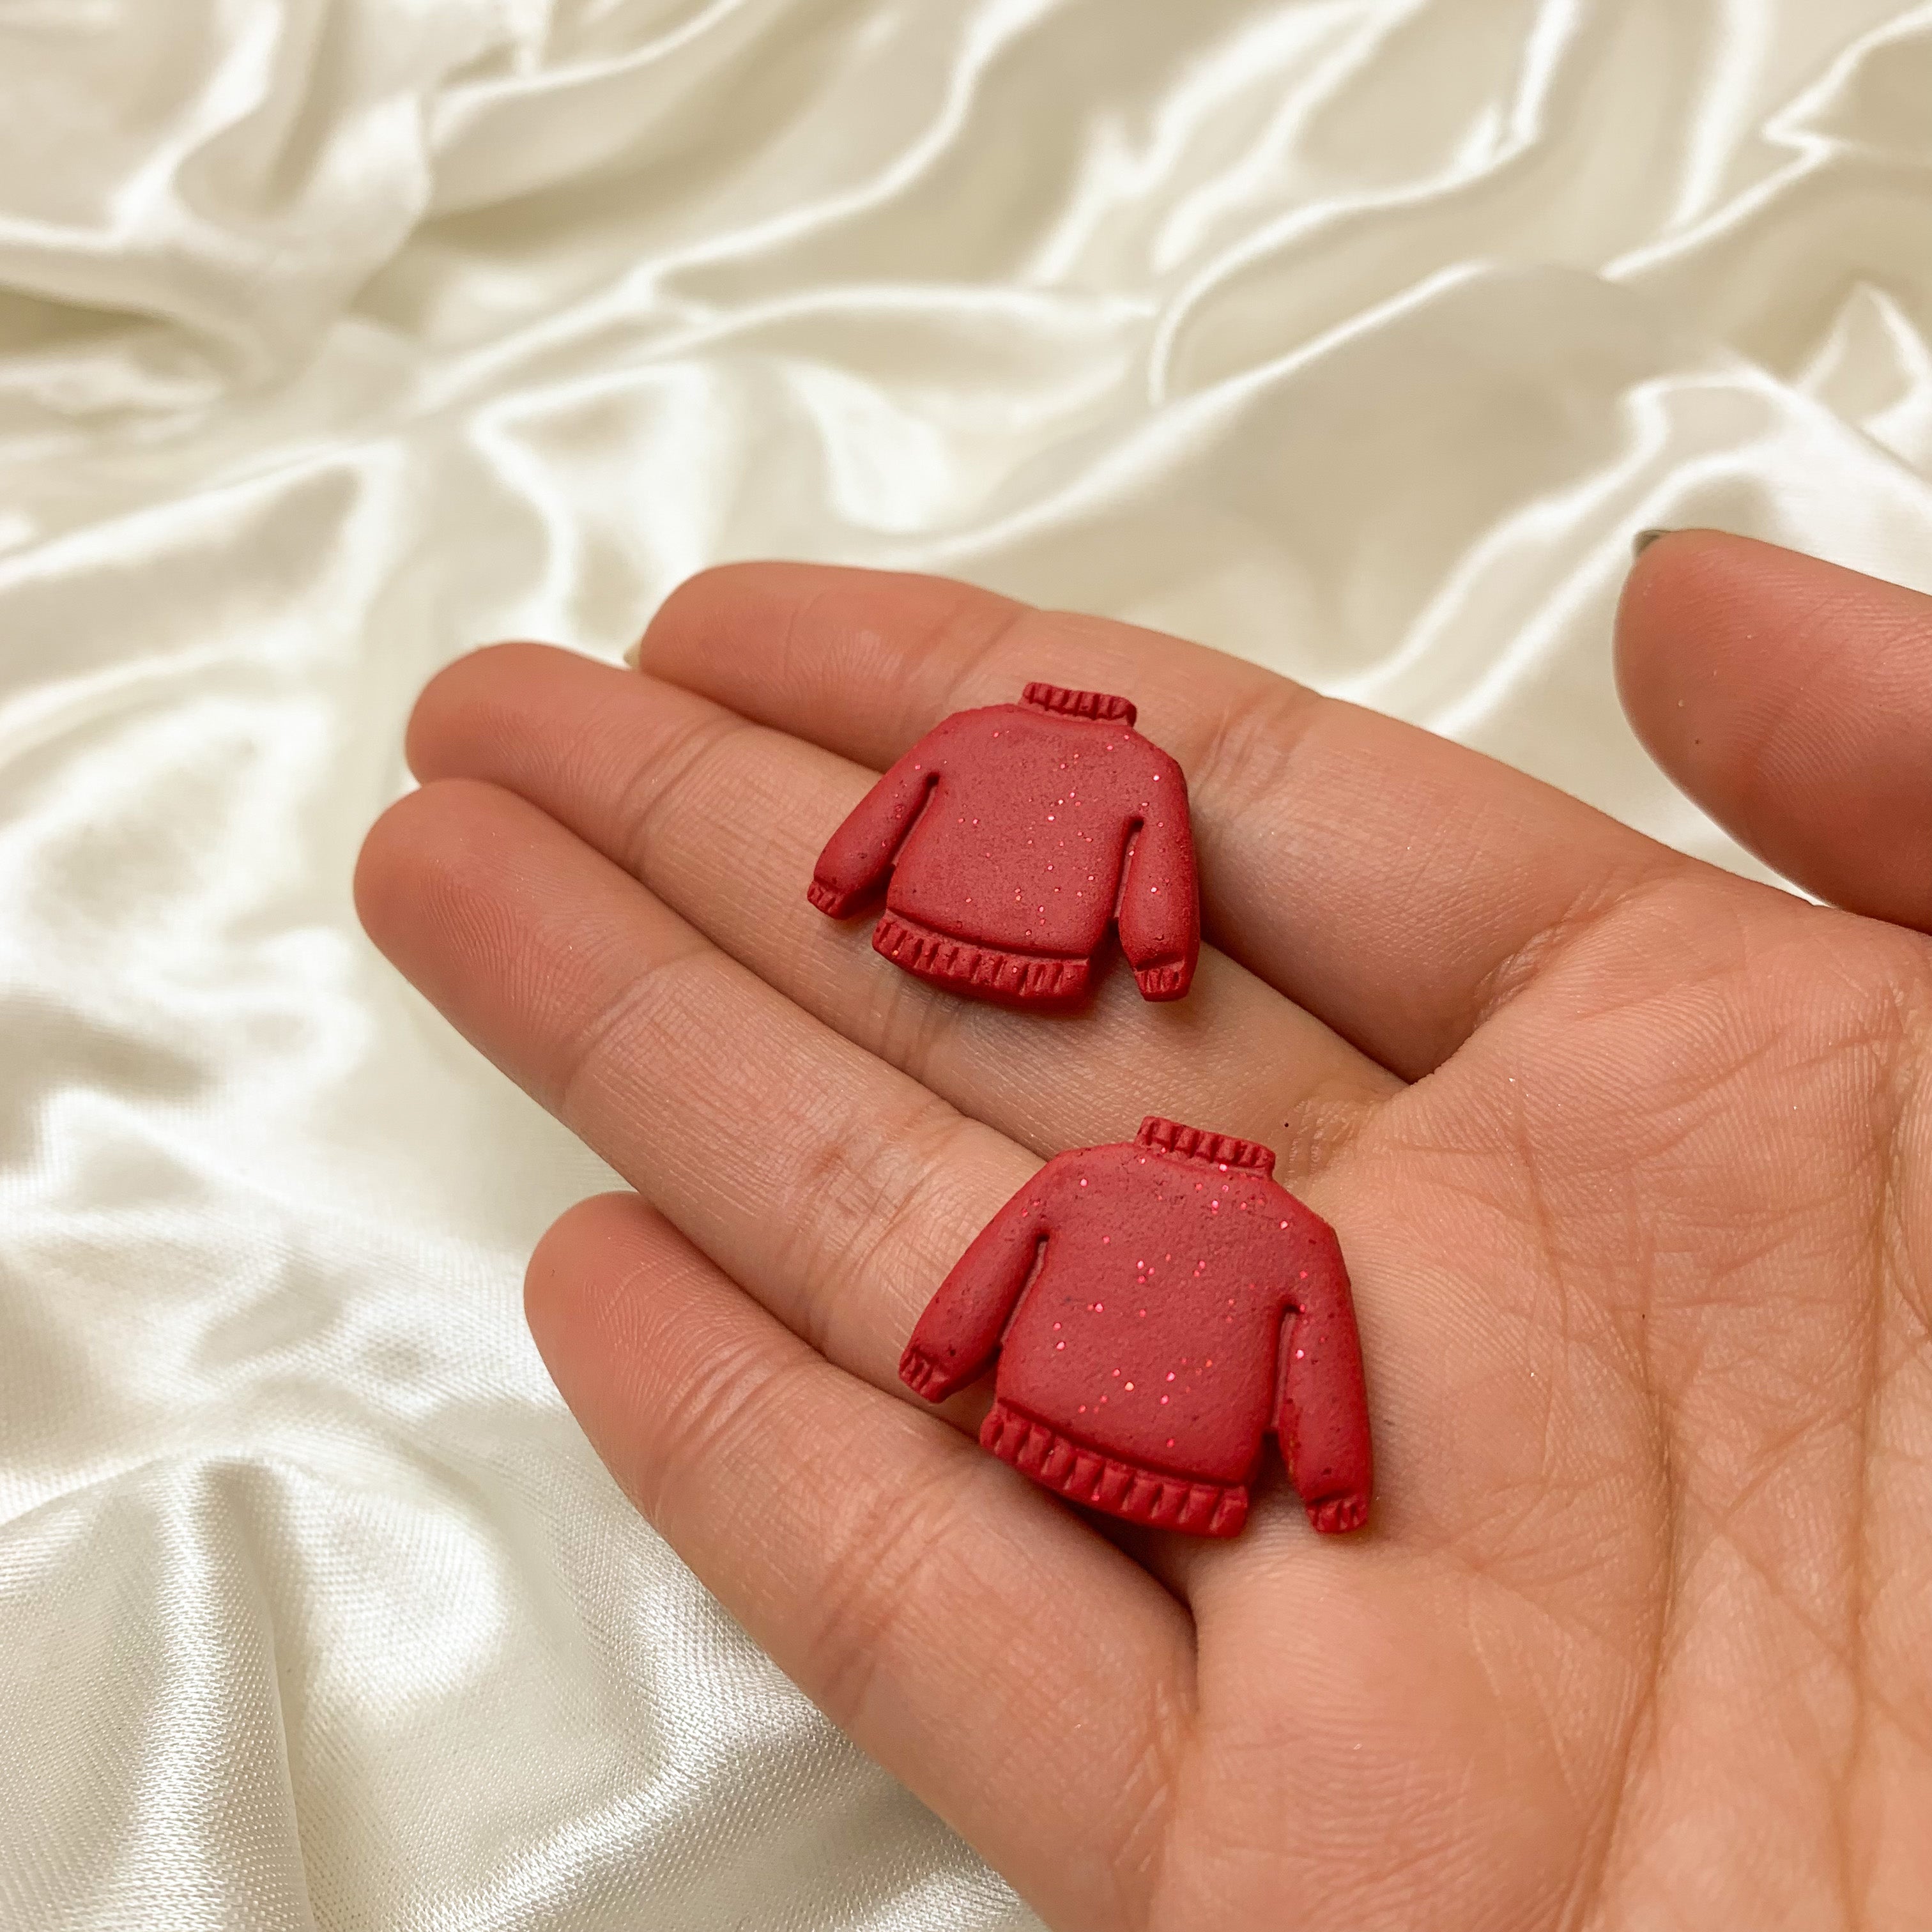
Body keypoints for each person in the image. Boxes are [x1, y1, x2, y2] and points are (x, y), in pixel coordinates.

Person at [355, 532, 1932, 1931]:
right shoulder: (1270, 1203)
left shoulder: (1082, 1137)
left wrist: (852, 897)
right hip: (1112, 1203)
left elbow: (976, 1250)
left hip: (1008, 1221)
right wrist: (1326, 1476)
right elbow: (1310, 1366)